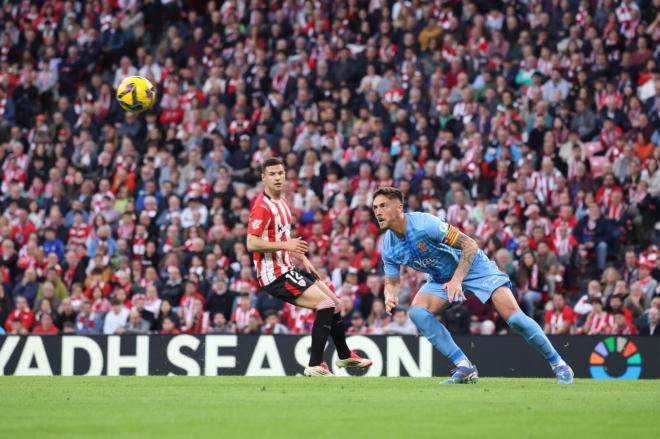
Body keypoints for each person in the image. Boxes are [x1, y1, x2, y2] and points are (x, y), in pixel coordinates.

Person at [372, 186, 573, 384]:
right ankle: (464, 366)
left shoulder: (425, 224)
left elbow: (470, 245)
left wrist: (457, 280)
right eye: (375, 208)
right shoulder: (388, 246)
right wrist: (390, 295)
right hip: (441, 278)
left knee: (515, 319)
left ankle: (559, 364)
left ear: (399, 207)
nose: (378, 212)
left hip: (475, 268)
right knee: (417, 312)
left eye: (383, 206)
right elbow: (391, 281)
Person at [246, 158, 372, 376]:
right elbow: (251, 243)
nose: (278, 178)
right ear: (263, 178)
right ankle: (315, 364)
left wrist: (303, 259)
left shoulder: (283, 203)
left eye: (281, 173)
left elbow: (283, 240)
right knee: (324, 304)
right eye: (272, 174)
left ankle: (344, 356)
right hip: (273, 274)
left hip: (287, 268)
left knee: (336, 303)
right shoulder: (262, 207)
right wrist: (287, 245)